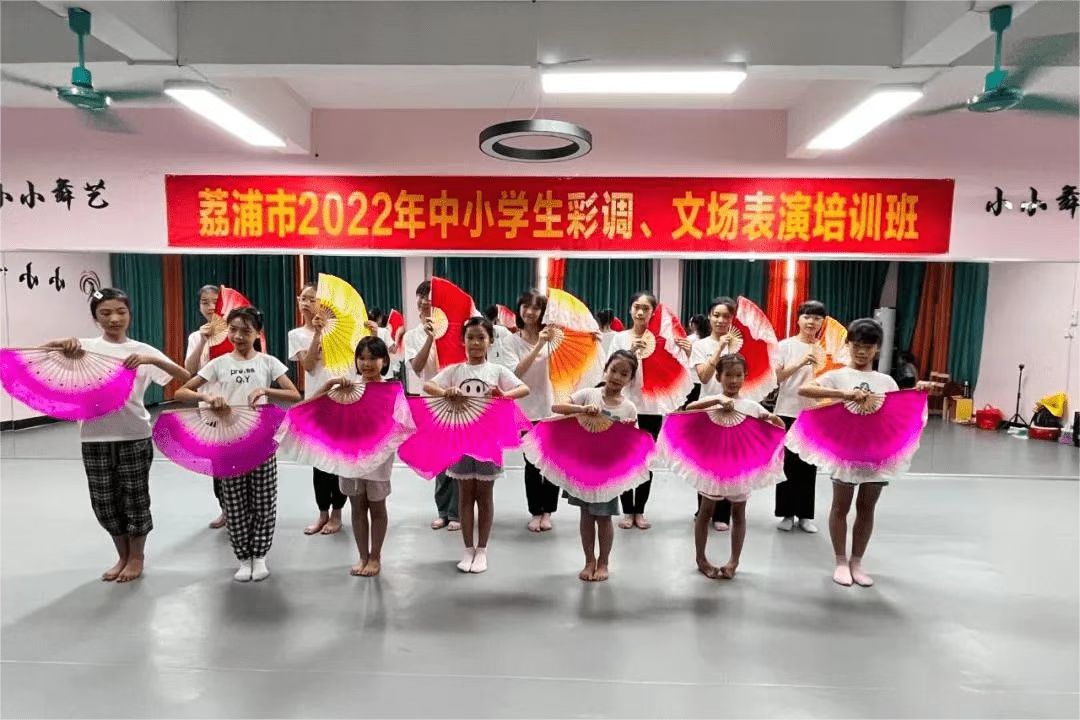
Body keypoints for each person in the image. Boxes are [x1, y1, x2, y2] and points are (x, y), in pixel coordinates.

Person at [43, 288, 190, 583]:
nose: (114, 318)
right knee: (105, 503)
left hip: (134, 435)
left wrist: (153, 361)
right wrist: (58, 345)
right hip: (94, 437)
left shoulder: (142, 350)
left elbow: (186, 378)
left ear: (129, 314)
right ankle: (122, 555)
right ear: (95, 317)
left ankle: (137, 557)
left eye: (121, 312)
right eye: (105, 313)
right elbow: (35, 357)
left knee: (135, 500)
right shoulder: (82, 348)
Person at [799, 318, 934, 588]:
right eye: (857, 345)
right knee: (841, 506)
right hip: (846, 451)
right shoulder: (838, 375)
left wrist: (917, 392)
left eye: (868, 347)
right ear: (848, 345)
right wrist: (845, 395)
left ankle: (857, 562)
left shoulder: (886, 381)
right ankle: (840, 561)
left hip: (875, 452)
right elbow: (806, 389)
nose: (861, 351)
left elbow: (898, 411)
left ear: (877, 349)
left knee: (867, 508)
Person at [175, 307, 301, 582]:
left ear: (258, 333)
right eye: (233, 330)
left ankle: (260, 556)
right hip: (227, 441)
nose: (238, 336)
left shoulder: (268, 362)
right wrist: (208, 398)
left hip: (261, 441)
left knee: (264, 500)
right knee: (234, 502)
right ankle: (243, 558)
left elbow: (294, 394)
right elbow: (181, 391)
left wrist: (266, 390)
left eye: (246, 330)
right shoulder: (217, 364)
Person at [424, 317, 529, 574]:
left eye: (481, 338)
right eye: (470, 337)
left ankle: (482, 549)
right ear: (463, 341)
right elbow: (428, 385)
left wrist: (504, 395)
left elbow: (523, 388)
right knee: (464, 495)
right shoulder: (455, 371)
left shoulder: (496, 370)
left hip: (487, 440)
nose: (475, 343)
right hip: (461, 438)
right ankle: (467, 548)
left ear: (490, 341)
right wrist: (446, 392)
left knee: (484, 495)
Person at [685, 353, 784, 580]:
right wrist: (717, 402)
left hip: (740, 467)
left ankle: (733, 562)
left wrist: (773, 419)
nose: (733, 380)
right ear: (718, 377)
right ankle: (701, 559)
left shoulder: (751, 406)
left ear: (745, 377)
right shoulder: (713, 401)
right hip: (713, 466)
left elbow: (776, 426)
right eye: (728, 375)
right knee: (705, 511)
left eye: (738, 375)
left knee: (739, 513)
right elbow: (690, 407)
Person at [318, 336, 411, 577]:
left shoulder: (392, 390)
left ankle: (376, 556)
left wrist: (380, 446)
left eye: (373, 358)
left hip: (379, 460)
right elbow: (315, 405)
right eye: (362, 358)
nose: (367, 363)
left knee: (377, 507)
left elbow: (404, 424)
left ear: (385, 361)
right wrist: (331, 384)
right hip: (350, 458)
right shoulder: (349, 388)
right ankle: (362, 556)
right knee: (357, 506)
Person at [551, 350, 639, 582]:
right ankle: (589, 560)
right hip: (583, 465)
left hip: (607, 470)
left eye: (624, 374)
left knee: (604, 517)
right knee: (586, 515)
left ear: (630, 379)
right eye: (613, 370)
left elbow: (633, 445)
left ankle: (604, 562)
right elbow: (557, 407)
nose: (617, 377)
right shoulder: (589, 394)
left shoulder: (629, 407)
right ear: (605, 369)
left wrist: (626, 432)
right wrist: (582, 409)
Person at [608, 291, 692, 530]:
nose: (640, 312)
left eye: (646, 308)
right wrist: (631, 354)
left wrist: (686, 352)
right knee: (625, 461)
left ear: (653, 313)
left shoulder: (663, 339)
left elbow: (678, 367)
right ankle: (627, 511)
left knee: (645, 462)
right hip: (623, 406)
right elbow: (611, 372)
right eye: (637, 307)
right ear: (630, 309)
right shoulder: (620, 339)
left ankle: (640, 511)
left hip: (651, 409)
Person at [499, 289, 560, 532]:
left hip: (551, 408)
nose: (530, 312)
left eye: (536, 307)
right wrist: (538, 347)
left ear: (543, 312)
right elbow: (516, 373)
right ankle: (535, 511)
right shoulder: (511, 341)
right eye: (526, 306)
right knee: (532, 463)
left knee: (552, 462)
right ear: (519, 309)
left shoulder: (553, 338)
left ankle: (548, 512)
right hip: (524, 411)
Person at [289, 281, 346, 536]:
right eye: (303, 298)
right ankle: (322, 512)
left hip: (341, 401)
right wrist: (317, 335)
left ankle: (337, 513)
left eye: (312, 299)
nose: (306, 303)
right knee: (319, 461)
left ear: (323, 304)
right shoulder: (296, 335)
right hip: (316, 402)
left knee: (338, 459)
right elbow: (309, 365)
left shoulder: (340, 333)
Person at [404, 280, 460, 532]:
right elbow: (417, 367)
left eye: (431, 297)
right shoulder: (412, 336)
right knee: (440, 460)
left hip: (457, 401)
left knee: (458, 457)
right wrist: (429, 337)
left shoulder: (454, 329)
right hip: (432, 403)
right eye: (422, 297)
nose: (426, 301)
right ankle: (443, 511)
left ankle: (457, 513)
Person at [773, 299, 827, 534]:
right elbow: (777, 378)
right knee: (788, 464)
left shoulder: (826, 348)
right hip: (787, 410)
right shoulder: (785, 346)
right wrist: (801, 362)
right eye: (807, 316)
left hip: (814, 412)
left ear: (822, 322)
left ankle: (805, 515)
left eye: (816, 318)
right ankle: (786, 513)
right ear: (798, 319)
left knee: (809, 464)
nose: (811, 322)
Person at [689, 297, 742, 531]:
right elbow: (704, 377)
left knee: (729, 461)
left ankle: (723, 514)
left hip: (733, 408)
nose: (721, 320)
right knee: (706, 462)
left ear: (732, 319)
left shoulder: (739, 345)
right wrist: (720, 348)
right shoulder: (700, 346)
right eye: (717, 315)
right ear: (710, 317)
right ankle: (703, 508)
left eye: (726, 316)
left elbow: (744, 377)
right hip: (708, 409)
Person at [183, 283, 228, 529]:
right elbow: (189, 370)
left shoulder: (235, 331)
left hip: (237, 405)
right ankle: (225, 509)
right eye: (205, 302)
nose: (210, 306)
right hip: (209, 406)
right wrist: (203, 340)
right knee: (217, 460)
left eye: (215, 301)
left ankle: (244, 508)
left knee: (241, 455)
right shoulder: (195, 336)